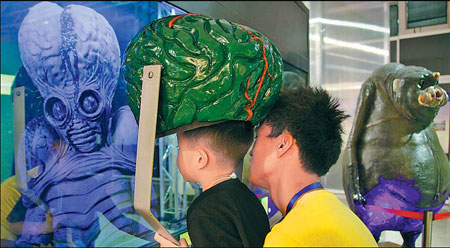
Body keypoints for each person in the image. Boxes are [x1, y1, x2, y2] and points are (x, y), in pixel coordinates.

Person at [249, 86, 378, 247]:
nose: (251, 151)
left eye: (257, 137)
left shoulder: (291, 236)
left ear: (283, 144)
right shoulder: (339, 216)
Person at [155, 121, 270, 247]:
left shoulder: (205, 211)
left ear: (200, 159)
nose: (177, 153)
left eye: (179, 148)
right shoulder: (245, 195)